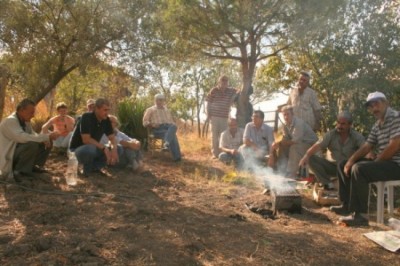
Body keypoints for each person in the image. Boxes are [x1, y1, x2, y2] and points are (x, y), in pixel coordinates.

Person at [335, 92, 400, 226]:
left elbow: (394, 145)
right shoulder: (377, 124)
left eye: (376, 103)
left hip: (396, 164)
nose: (374, 108)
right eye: (371, 106)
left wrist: (375, 163)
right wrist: (350, 160)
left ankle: (361, 216)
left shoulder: (396, 117)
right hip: (385, 162)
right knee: (343, 164)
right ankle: (347, 205)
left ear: (386, 103)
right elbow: (367, 146)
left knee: (360, 169)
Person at [299, 111, 365, 190]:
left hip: (348, 168)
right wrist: (306, 156)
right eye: (338, 123)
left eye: (343, 124)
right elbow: (317, 146)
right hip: (332, 167)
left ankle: (348, 185)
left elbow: (365, 149)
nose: (340, 126)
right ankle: (327, 184)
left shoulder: (357, 136)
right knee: (310, 158)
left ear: (350, 125)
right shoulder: (331, 134)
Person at [0, 99, 59, 182]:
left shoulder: (25, 121)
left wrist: (46, 138)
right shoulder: (10, 121)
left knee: (45, 141)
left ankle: (32, 167)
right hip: (9, 157)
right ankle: (19, 172)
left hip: (19, 153)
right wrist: (46, 137)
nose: (33, 115)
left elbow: (33, 134)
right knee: (32, 144)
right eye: (31, 112)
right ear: (21, 110)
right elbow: (23, 138)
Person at [69, 98, 119, 177]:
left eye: (108, 110)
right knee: (90, 148)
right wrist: (104, 148)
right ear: (96, 109)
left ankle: (95, 167)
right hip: (76, 150)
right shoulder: (86, 117)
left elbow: (112, 138)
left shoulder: (106, 120)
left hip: (94, 148)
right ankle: (85, 169)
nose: (107, 113)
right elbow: (86, 140)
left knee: (118, 148)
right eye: (105, 110)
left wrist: (114, 149)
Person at [272, 105, 318, 178]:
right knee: (281, 146)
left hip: (311, 145)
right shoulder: (285, 125)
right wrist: (277, 142)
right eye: (284, 115)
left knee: (294, 147)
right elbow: (285, 139)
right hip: (300, 143)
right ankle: (281, 170)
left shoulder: (299, 123)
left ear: (292, 114)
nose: (286, 117)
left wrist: (282, 142)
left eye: (288, 114)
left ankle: (291, 173)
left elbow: (294, 141)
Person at [143, 94, 182, 162]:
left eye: (162, 100)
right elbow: (144, 122)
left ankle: (166, 144)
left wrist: (172, 126)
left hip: (168, 127)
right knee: (173, 136)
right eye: (159, 100)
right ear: (155, 100)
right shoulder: (150, 110)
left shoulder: (166, 110)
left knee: (174, 126)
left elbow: (171, 121)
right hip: (157, 129)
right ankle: (177, 158)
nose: (160, 101)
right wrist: (152, 125)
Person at [206, 75, 237, 158]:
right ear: (219, 82)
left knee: (223, 135)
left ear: (228, 82)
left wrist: (233, 99)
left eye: (226, 81)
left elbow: (238, 91)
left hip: (225, 117)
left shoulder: (231, 91)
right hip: (214, 117)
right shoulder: (214, 90)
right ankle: (215, 154)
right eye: (222, 81)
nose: (224, 82)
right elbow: (208, 102)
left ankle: (221, 153)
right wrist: (208, 114)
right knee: (214, 136)